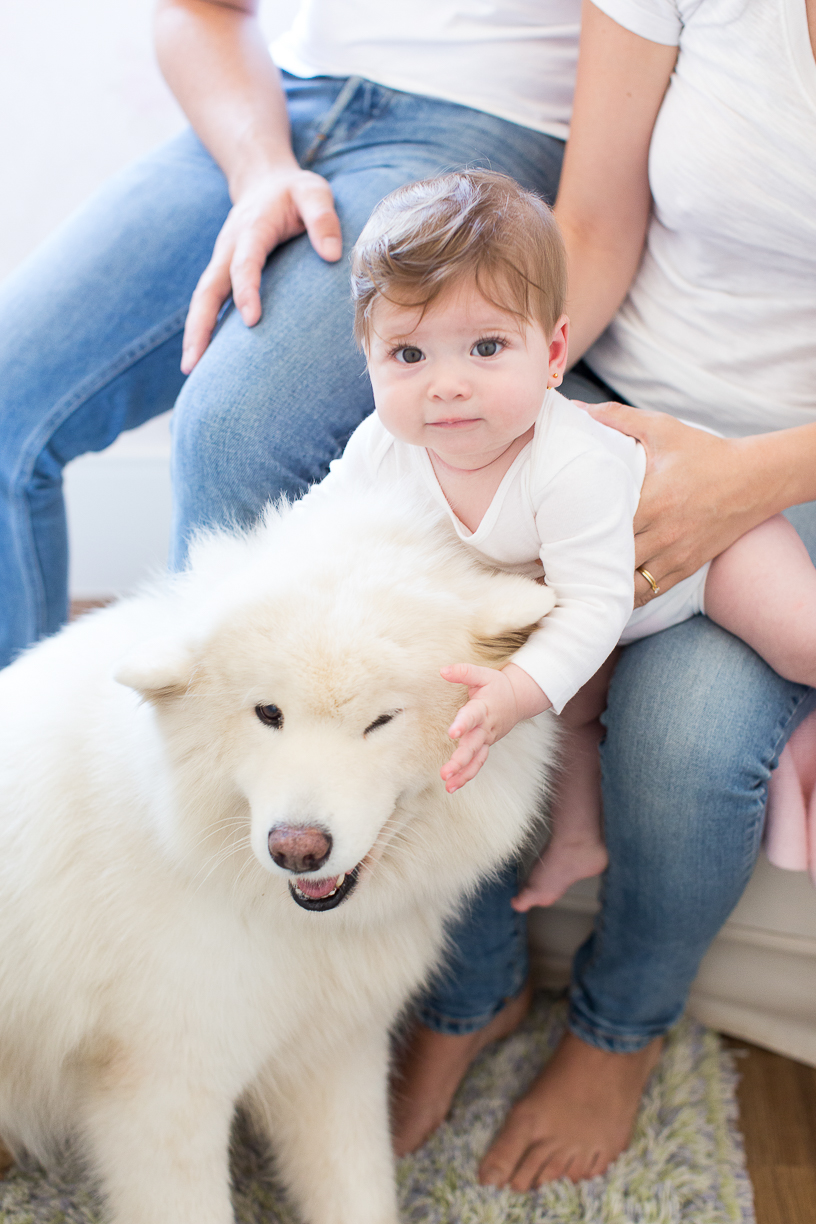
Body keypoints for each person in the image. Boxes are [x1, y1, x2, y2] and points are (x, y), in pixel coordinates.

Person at [392, 0, 816, 1189]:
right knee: (445, 655)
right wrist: (506, 382)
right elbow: (591, 218)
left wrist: (748, 480)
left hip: (798, 467)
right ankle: (468, 992)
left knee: (682, 744)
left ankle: (617, 1032)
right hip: (624, 410)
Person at [0, 0, 577, 670]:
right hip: (286, 89)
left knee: (234, 433)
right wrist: (262, 169)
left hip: (498, 125)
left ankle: (194, 763)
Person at [318, 167, 816, 905]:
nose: (446, 384)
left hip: (712, 553)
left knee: (801, 638)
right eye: (409, 355)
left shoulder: (566, 463)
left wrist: (518, 689)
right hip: (606, 612)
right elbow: (321, 526)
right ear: (368, 358)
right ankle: (577, 838)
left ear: (553, 357)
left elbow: (590, 608)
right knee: (573, 709)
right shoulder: (382, 449)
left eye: (485, 349)